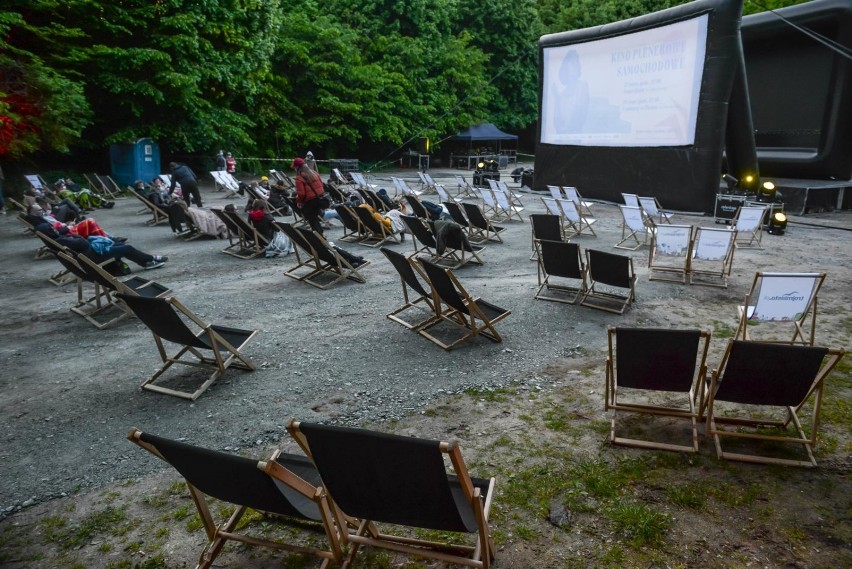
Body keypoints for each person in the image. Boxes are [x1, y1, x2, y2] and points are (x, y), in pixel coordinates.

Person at [293, 156, 327, 235]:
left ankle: (318, 237)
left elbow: (301, 194)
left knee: (312, 219)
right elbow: (321, 184)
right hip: (320, 198)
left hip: (311, 201)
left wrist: (299, 201)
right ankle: (321, 234)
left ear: (297, 167)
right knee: (315, 218)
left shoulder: (299, 178)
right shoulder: (314, 173)